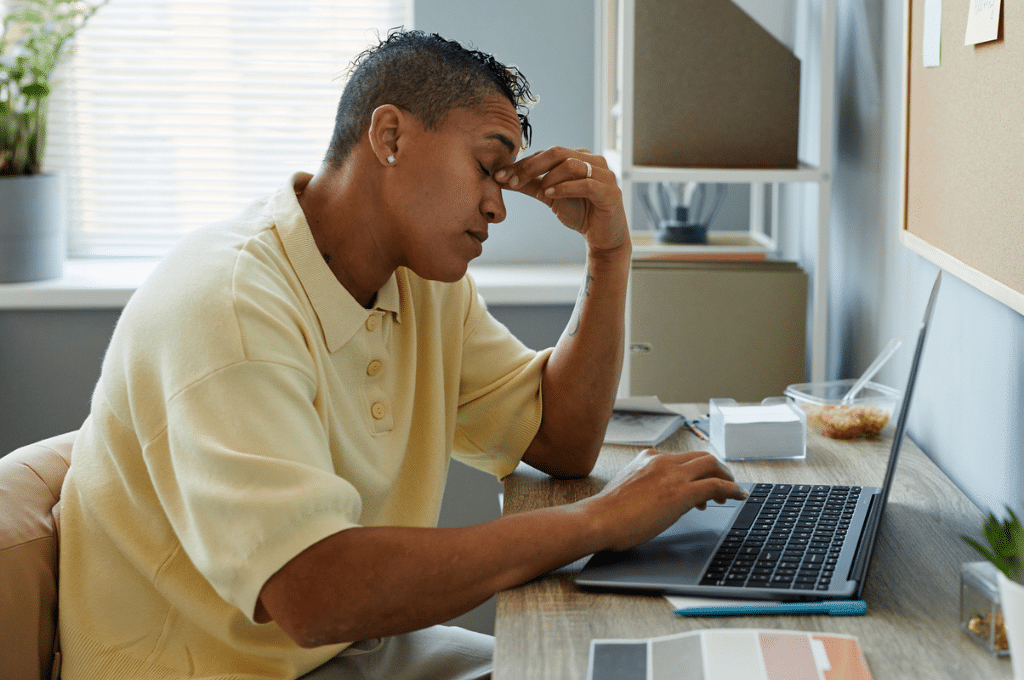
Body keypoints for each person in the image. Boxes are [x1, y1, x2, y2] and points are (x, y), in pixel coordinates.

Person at [57, 30, 748, 680]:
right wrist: (598, 521)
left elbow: (560, 439)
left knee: (605, 663)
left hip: (343, 654)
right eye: (486, 165)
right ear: (390, 136)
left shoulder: (420, 283)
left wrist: (610, 251)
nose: (498, 208)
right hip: (226, 667)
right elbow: (312, 593)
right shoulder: (229, 304)